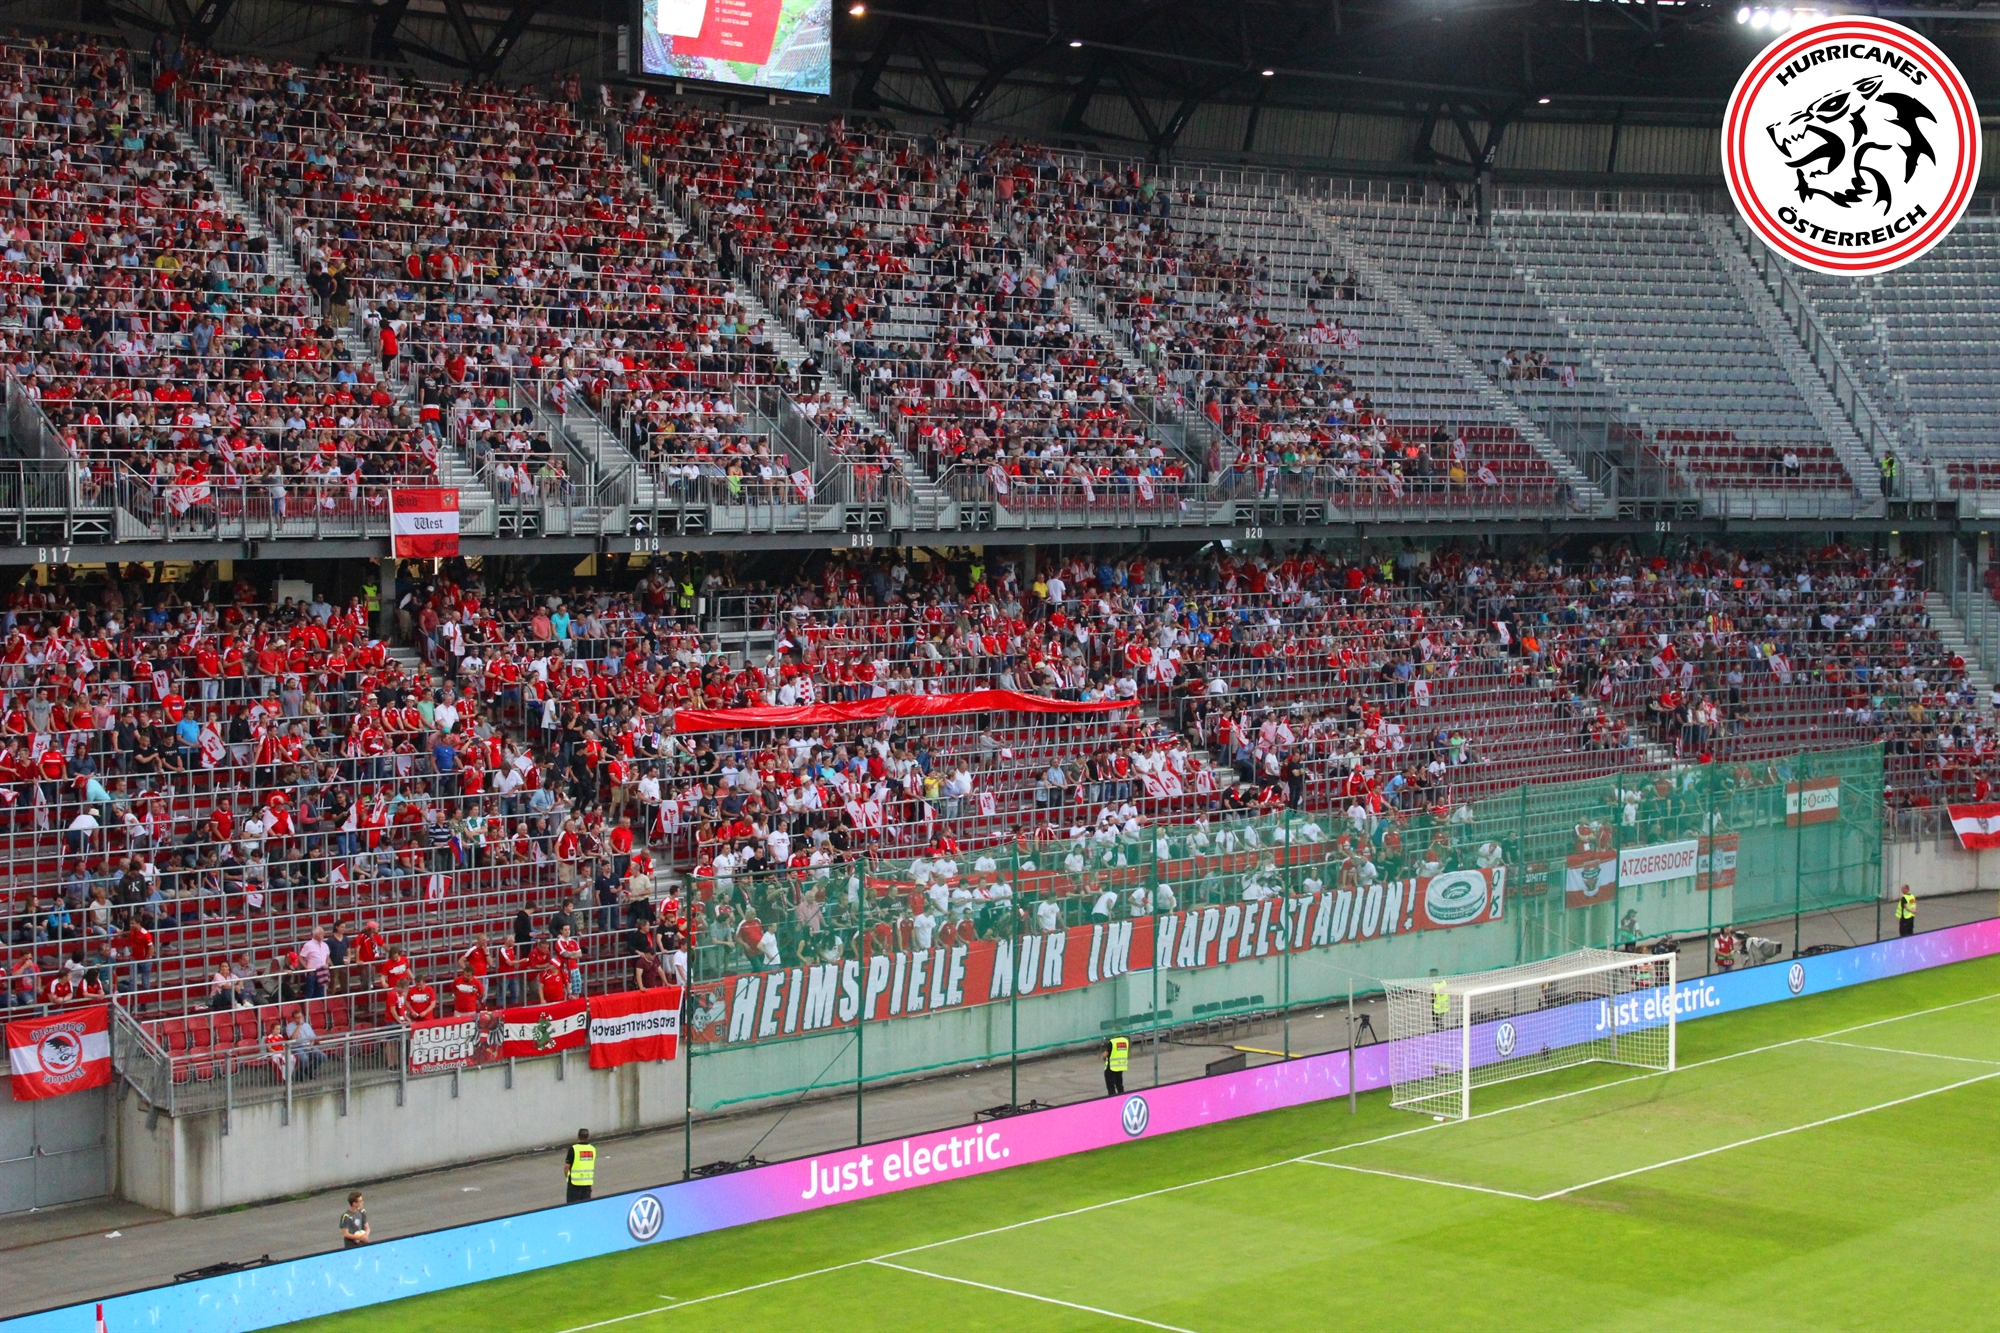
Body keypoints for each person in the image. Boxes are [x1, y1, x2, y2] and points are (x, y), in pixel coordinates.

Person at [564, 1129, 596, 1204]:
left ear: (578, 1136)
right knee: (585, 1205)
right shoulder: (592, 1149)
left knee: (572, 1205)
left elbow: (566, 1167)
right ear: (587, 1137)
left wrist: (567, 1176)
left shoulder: (573, 1149)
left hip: (574, 1183)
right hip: (587, 1183)